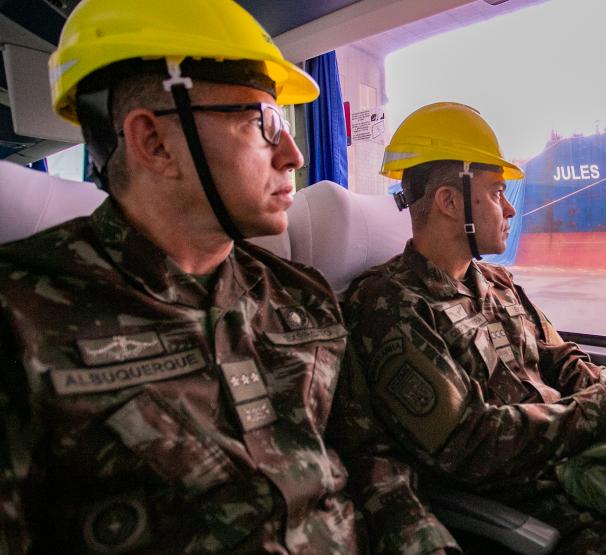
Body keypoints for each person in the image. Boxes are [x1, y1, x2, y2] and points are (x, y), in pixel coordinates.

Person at [0, 1, 361, 552]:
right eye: (261, 123)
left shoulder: (303, 296)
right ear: (154, 142)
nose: (293, 155)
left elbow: (374, 465)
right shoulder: (19, 317)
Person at [330, 102, 606, 554]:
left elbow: (559, 356)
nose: (509, 208)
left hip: (582, 461)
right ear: (451, 201)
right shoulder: (390, 304)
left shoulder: (499, 282)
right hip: (535, 498)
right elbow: (466, 441)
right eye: (496, 193)